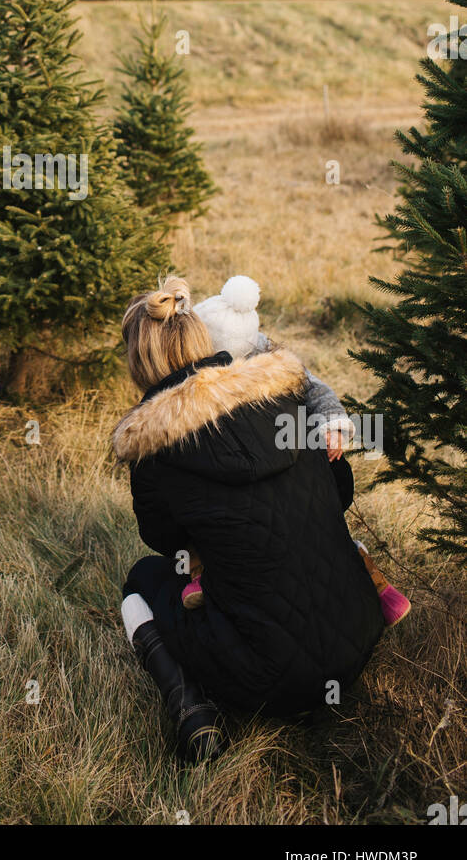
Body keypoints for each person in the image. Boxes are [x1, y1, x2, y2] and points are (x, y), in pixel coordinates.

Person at [114, 275, 385, 763]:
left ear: (138, 362)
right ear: (200, 334)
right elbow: (339, 489)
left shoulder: (153, 446)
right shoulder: (282, 394)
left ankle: (189, 704)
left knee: (144, 578)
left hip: (269, 676)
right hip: (360, 635)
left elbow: (166, 541)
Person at [181, 275, 410, 626]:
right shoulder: (200, 376)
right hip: (247, 469)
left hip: (293, 466)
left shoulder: (271, 360)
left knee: (310, 522)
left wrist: (333, 427)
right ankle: (201, 566)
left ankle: (364, 570)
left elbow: (318, 391)